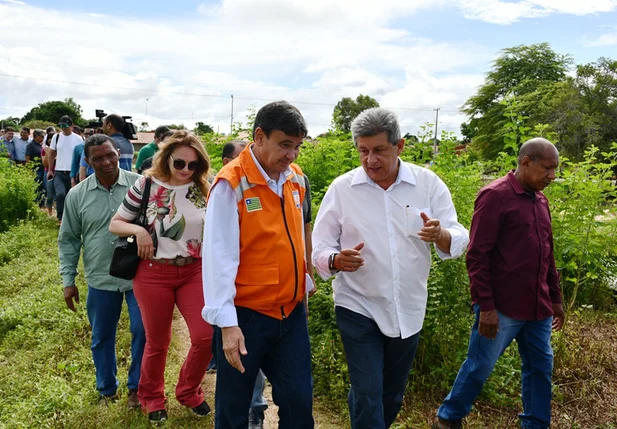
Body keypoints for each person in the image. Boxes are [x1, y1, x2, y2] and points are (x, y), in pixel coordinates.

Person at [312, 108, 469, 429]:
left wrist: (440, 234)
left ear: (399, 146)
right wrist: (335, 260)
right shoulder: (342, 189)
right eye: (363, 151)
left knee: (392, 394)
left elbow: (458, 234)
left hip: (408, 307)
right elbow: (319, 246)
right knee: (368, 391)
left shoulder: (427, 184)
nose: (370, 160)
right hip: (357, 305)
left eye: (379, 150)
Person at [432, 138, 565, 429]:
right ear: (526, 162)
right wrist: (486, 306)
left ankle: (535, 423)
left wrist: (556, 298)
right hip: (502, 307)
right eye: (548, 169)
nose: (553, 176)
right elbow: (478, 254)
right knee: (480, 366)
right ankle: (448, 419)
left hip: (538, 306)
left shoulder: (541, 200)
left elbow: (548, 252)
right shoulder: (495, 196)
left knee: (541, 368)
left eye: (555, 170)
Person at [202, 101, 315, 429]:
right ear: (260, 136)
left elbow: (293, 241)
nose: (291, 155)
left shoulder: (295, 179)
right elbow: (218, 259)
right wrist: (227, 325)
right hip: (246, 318)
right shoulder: (230, 183)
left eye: (297, 147)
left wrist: (304, 286)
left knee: (297, 403)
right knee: (234, 409)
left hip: (291, 314)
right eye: (284, 145)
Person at [109, 130, 214, 424]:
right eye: (180, 163)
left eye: (193, 165)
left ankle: (188, 390)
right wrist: (140, 230)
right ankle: (151, 397)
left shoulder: (204, 188)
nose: (186, 171)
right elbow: (116, 224)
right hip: (153, 272)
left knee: (207, 336)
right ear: (166, 158)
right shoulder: (146, 185)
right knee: (158, 341)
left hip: (194, 270)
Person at [58, 134, 146, 409]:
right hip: (100, 277)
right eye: (98, 158)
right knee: (101, 336)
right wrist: (68, 280)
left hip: (138, 276)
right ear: (87, 161)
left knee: (143, 331)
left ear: (118, 152)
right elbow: (69, 239)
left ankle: (137, 388)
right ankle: (107, 390)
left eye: (110, 154)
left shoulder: (140, 185)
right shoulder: (77, 195)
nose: (106, 162)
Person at [46, 116, 84, 222]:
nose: (63, 128)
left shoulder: (78, 139)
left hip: (72, 172)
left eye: (65, 125)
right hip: (59, 171)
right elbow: (51, 154)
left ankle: (71, 219)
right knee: (60, 194)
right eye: (61, 125)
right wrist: (50, 170)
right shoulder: (56, 137)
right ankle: (60, 218)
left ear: (71, 126)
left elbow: (80, 156)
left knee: (71, 196)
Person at [25, 129, 46, 206]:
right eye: (41, 136)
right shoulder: (30, 145)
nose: (43, 138)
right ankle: (36, 204)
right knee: (36, 187)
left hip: (42, 169)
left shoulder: (40, 145)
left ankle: (42, 203)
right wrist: (29, 170)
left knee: (42, 187)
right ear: (36, 136)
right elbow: (27, 159)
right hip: (35, 170)